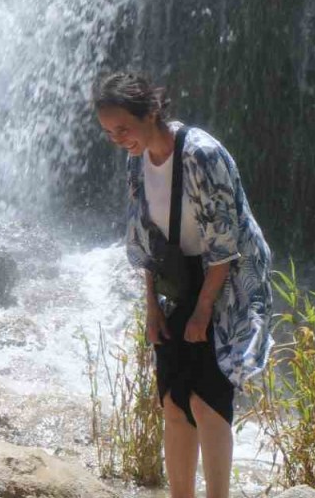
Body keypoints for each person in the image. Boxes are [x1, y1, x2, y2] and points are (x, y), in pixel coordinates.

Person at [93, 72, 272, 498]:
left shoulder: (202, 155)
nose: (118, 138)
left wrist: (203, 309)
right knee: (174, 400)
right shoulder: (136, 160)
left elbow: (226, 245)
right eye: (108, 132)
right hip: (178, 277)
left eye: (123, 128)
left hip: (226, 279)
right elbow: (146, 239)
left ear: (151, 112)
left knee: (208, 401)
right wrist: (153, 308)